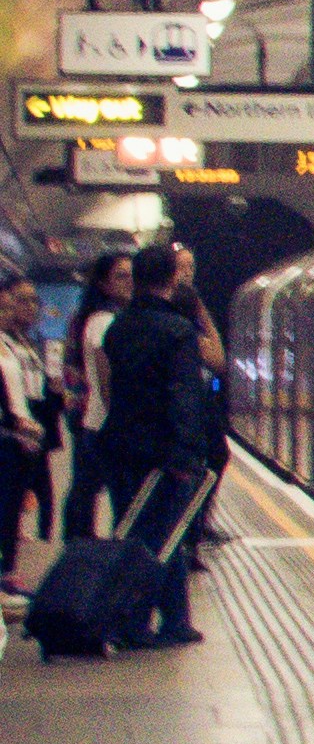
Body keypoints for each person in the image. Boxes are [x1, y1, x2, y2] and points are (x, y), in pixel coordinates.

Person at [89, 248, 216, 647]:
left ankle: (150, 619)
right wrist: (188, 454)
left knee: (135, 533)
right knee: (167, 536)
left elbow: (110, 390)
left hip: (120, 445)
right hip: (164, 453)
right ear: (172, 280)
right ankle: (149, 621)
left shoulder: (117, 328)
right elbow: (185, 397)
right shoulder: (178, 331)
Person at [59, 252, 136, 541]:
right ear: (103, 283)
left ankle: (79, 554)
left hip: (97, 424)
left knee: (87, 491)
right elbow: (107, 383)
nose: (130, 282)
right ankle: (90, 560)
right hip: (104, 425)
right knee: (114, 500)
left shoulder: (104, 319)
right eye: (121, 275)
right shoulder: (103, 322)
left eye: (132, 275)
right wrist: (122, 424)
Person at [0, 286, 52, 582]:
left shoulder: (9, 346)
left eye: (8, 309)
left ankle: (7, 572)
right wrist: (15, 422)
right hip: (9, 433)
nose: (6, 315)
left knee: (10, 507)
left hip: (21, 435)